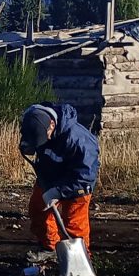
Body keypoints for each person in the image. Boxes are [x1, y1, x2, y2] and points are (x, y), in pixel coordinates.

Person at [19, 103, 100, 259]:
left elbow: (86, 177)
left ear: (52, 124)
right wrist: (29, 145)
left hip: (77, 184)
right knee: (38, 212)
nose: (47, 139)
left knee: (74, 224)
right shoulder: (32, 120)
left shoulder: (79, 140)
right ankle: (50, 247)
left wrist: (59, 191)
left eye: (47, 135)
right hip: (49, 177)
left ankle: (80, 260)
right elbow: (33, 141)